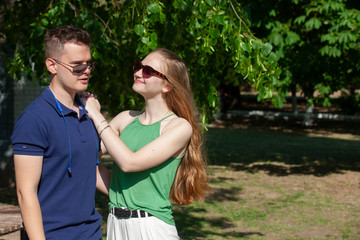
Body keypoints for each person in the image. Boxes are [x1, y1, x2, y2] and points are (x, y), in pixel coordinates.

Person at [81, 48, 209, 239]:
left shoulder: (179, 127)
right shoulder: (124, 119)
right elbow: (87, 160)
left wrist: (96, 115)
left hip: (150, 227)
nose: (138, 72)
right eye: (138, 66)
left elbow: (129, 162)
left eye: (148, 71)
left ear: (167, 86)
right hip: (115, 224)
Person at [11, 25, 110, 240]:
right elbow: (25, 193)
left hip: (92, 234)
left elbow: (91, 170)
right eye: (76, 66)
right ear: (52, 65)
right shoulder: (34, 119)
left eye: (88, 64)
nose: (86, 71)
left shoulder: (88, 112)